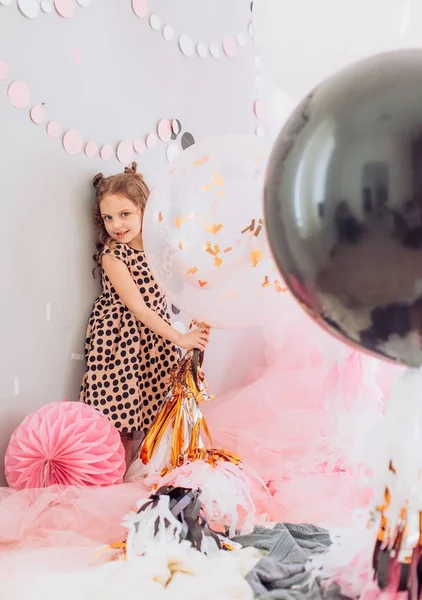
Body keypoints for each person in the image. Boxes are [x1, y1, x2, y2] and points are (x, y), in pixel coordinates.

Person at [79, 162, 210, 466]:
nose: (116, 225)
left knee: (154, 410)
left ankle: (143, 473)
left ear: (144, 209)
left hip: (155, 340)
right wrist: (180, 337)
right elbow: (137, 308)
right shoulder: (114, 255)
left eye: (125, 214)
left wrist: (203, 306)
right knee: (119, 415)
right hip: (120, 340)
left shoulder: (160, 251)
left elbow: (183, 283)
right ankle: (113, 477)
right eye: (108, 217)